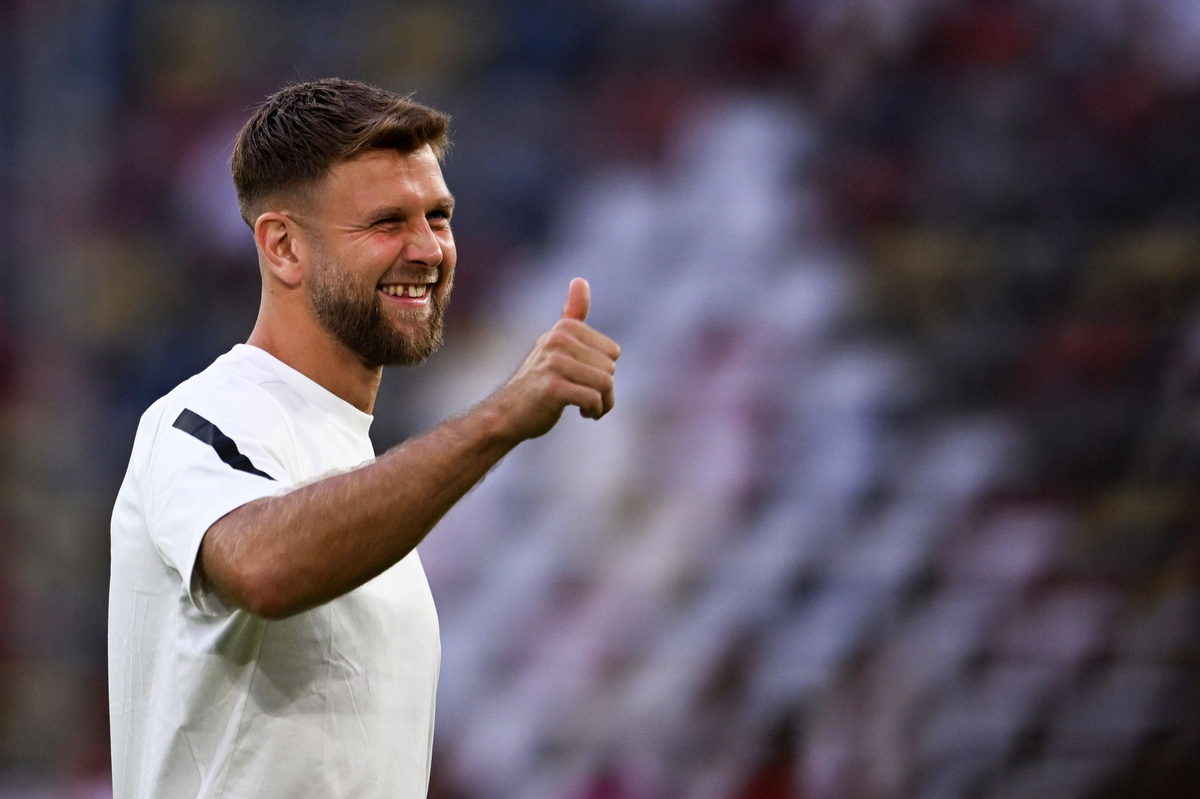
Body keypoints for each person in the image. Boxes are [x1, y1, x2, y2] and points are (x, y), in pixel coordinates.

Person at [107, 78, 619, 798]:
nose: (429, 250)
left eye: (438, 217)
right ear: (284, 246)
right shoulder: (204, 415)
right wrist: (501, 416)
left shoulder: (352, 466)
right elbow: (263, 566)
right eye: (386, 223)